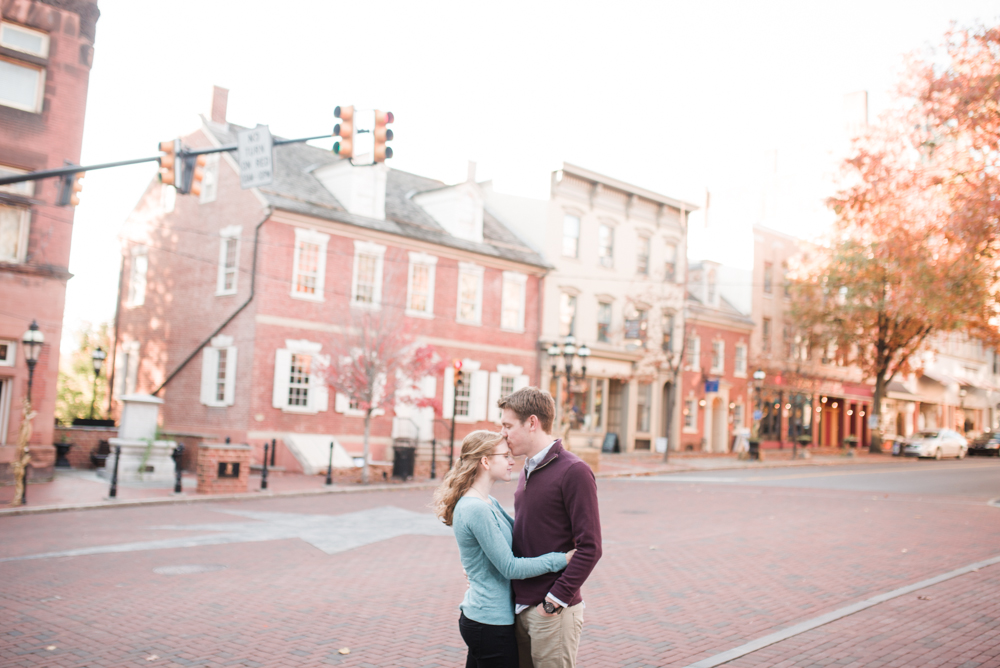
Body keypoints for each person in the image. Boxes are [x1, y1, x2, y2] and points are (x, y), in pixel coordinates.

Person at [434, 430, 576, 668]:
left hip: (487, 620)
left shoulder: (488, 502)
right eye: (505, 456)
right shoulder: (475, 508)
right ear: (486, 461)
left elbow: (518, 538)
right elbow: (510, 566)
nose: (512, 461)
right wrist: (562, 559)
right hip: (488, 623)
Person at [498, 387, 602, 668]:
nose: (503, 434)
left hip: (552, 612)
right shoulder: (526, 470)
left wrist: (554, 601)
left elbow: (590, 547)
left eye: (508, 426)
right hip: (520, 608)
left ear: (532, 423)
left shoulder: (574, 471)